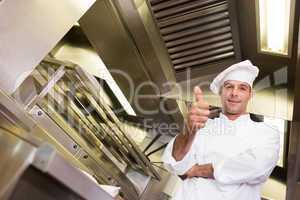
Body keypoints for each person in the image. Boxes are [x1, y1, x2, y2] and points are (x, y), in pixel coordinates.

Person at [162, 60, 280, 200]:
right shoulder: (203, 127)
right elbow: (177, 167)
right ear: (220, 92)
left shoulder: (267, 133)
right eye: (229, 86)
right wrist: (189, 132)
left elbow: (257, 167)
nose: (234, 93)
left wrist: (197, 170)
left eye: (242, 88)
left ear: (250, 94)